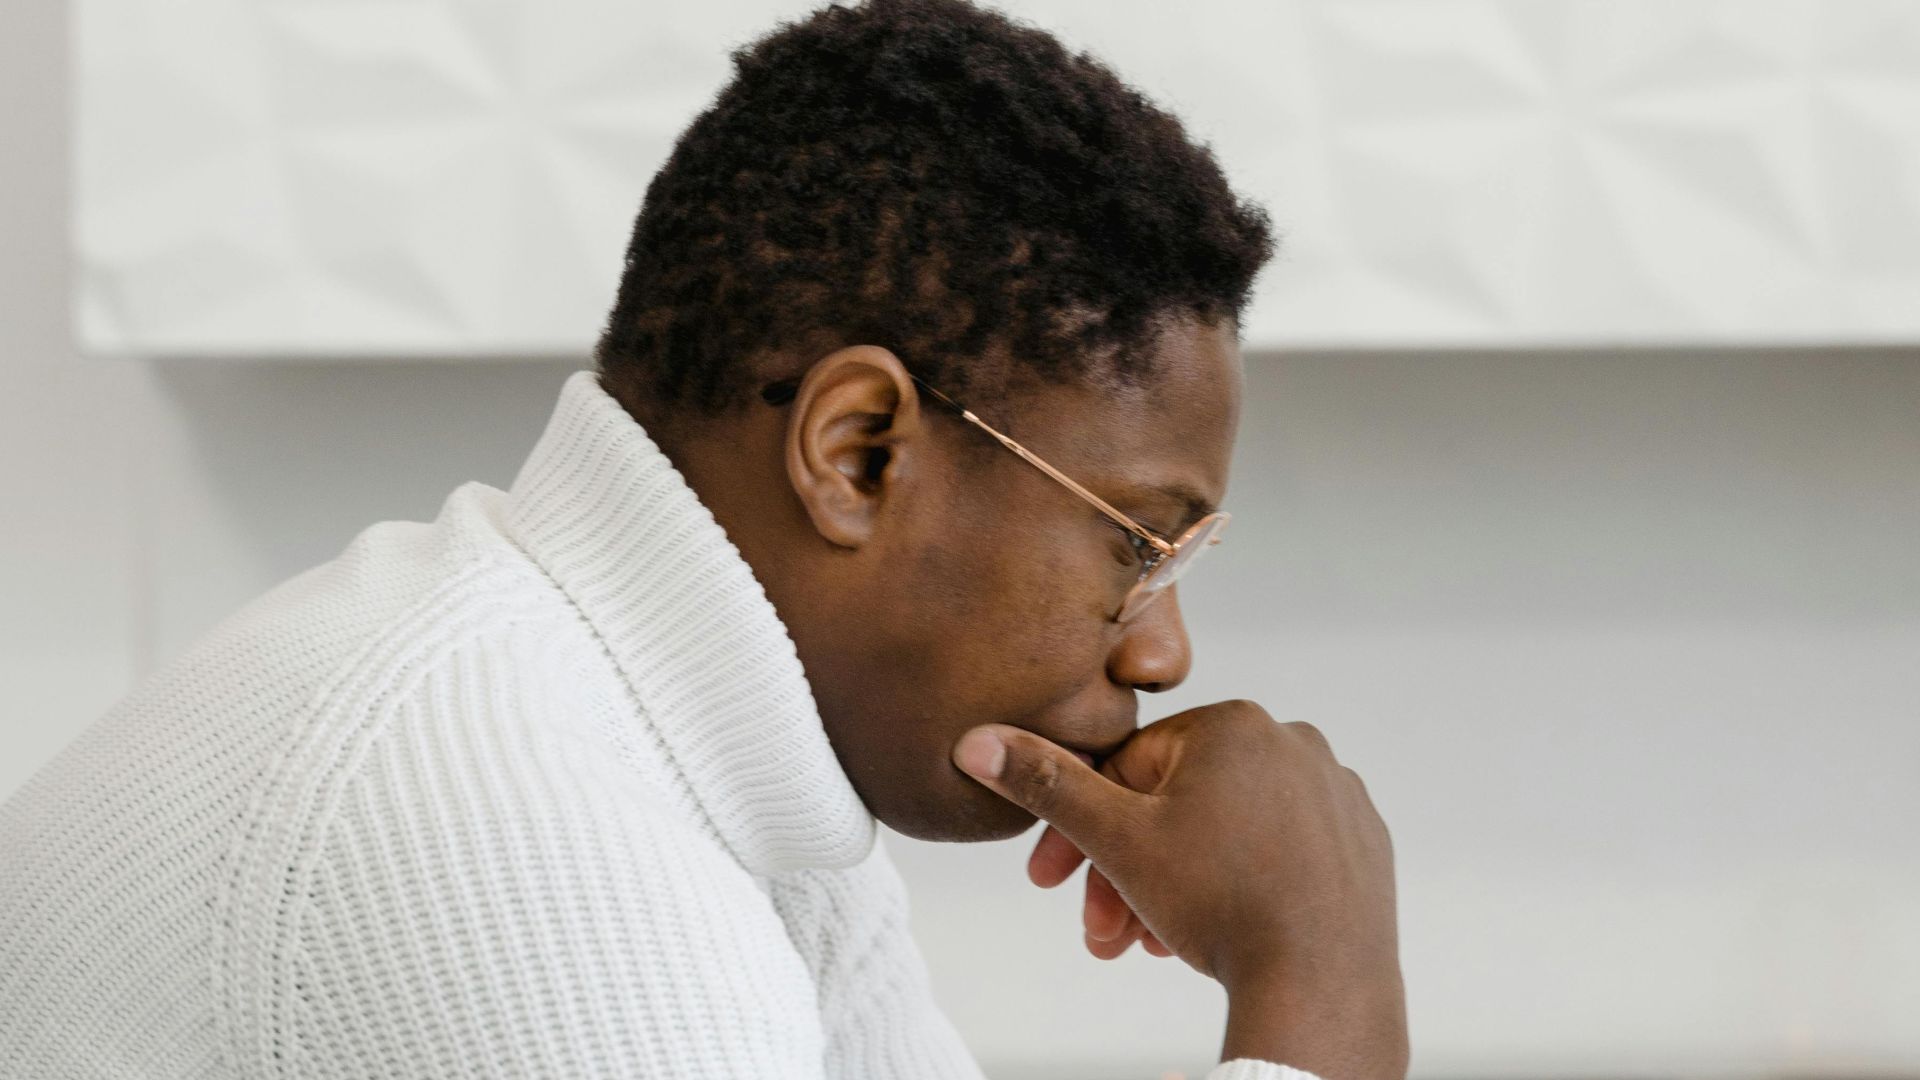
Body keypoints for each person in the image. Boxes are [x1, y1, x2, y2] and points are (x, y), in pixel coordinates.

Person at [0, 0, 1407, 1076]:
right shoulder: (493, 813)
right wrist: (1317, 991)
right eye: (1135, 546)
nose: (1164, 650)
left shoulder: (700, 775)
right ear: (857, 451)